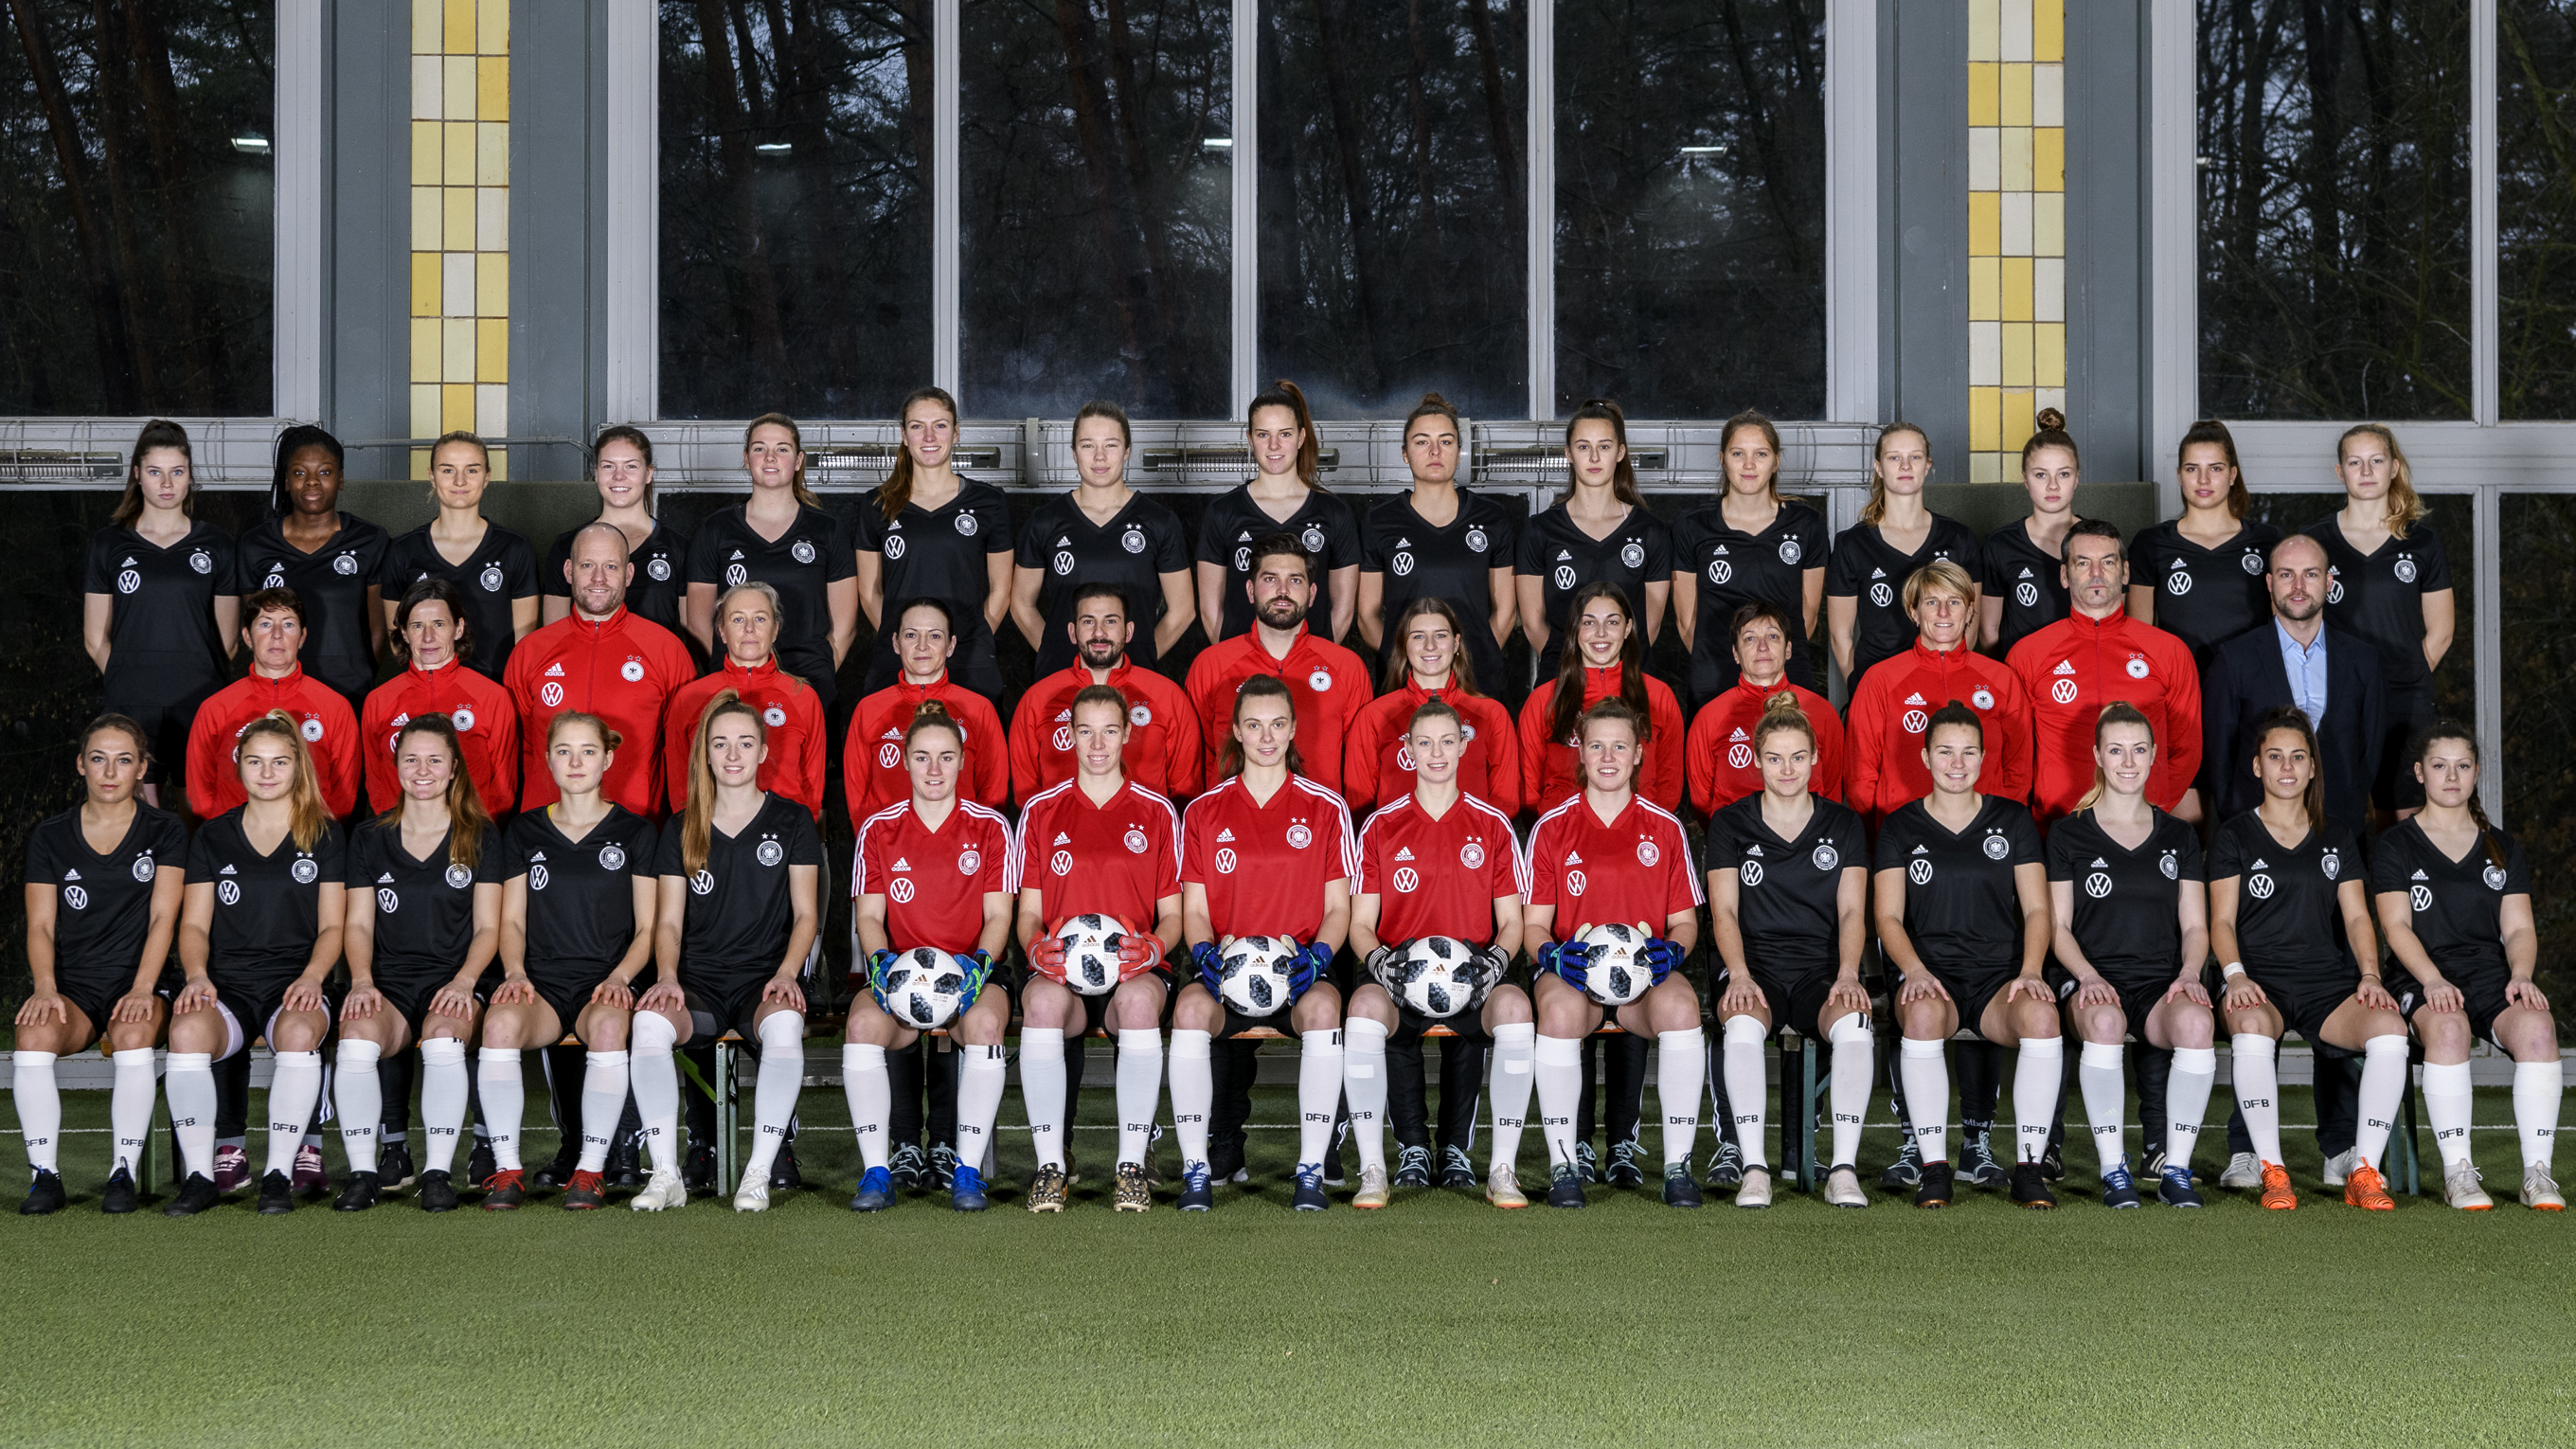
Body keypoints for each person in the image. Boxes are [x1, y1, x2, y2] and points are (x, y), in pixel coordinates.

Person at [2208, 707, 2408, 1211]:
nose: (2287, 767)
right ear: (2258, 766)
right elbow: (2221, 922)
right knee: (2251, 1024)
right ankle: (2272, 1169)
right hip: (2259, 980)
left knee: (2390, 1029)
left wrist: (2370, 975)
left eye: (2298, 757)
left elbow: (2360, 918)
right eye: (2275, 757)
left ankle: (2363, 1168)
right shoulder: (2234, 834)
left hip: (2328, 983)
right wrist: (2234, 977)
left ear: (2313, 767)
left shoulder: (2337, 835)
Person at [1170, 675, 1357, 1211]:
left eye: (1278, 724)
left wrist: (1318, 957)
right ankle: (1196, 1169)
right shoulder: (1204, 811)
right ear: (1236, 730)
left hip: (1296, 972)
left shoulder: (1327, 808)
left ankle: (1312, 1168)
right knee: (1186, 1011)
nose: (1266, 736)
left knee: (1325, 1011)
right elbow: (1197, 909)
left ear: (1294, 729)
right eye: (1254, 725)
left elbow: (1339, 907)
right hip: (1227, 973)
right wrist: (1204, 954)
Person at [635, 692, 825, 1212]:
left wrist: (788, 973)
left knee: (784, 1025)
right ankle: (665, 1175)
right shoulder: (681, 826)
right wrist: (668, 977)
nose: (733, 754)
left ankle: (758, 1172)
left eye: (745, 742)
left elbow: (806, 915)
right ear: (707, 755)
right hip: (698, 982)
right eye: (721, 744)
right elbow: (668, 919)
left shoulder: (792, 821)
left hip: (763, 981)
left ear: (764, 752)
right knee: (649, 1024)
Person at [1343, 698, 1536, 1208]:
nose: (1436, 752)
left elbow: (1513, 921)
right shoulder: (1381, 826)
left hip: (1471, 974)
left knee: (1514, 1009)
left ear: (1463, 747)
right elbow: (1361, 924)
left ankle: (1487, 1163)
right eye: (1423, 742)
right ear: (1406, 750)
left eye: (1447, 741)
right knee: (1364, 1011)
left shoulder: (1492, 825)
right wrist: (1382, 964)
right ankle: (1387, 1162)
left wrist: (1495, 961)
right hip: (1401, 972)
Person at [1874, 704, 2061, 1209]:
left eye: (1969, 752)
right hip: (1931, 975)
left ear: (1983, 756)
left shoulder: (2012, 819)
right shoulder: (1899, 827)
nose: (1957, 763)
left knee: (2043, 1018)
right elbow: (1887, 917)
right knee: (1924, 1013)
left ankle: (2028, 1167)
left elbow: (2039, 907)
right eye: (1945, 752)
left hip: (2000, 979)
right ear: (1925, 756)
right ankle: (1935, 1169)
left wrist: (2029, 970)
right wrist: (1913, 970)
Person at [1523, 700, 1705, 1209]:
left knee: (1684, 1008)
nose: (1608, 757)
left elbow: (1685, 922)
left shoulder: (1665, 828)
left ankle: (1677, 1166)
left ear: (1639, 753)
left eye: (1620, 745)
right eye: (1596, 745)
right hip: (1575, 978)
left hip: (1640, 983)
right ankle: (1565, 1166)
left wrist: (1674, 952)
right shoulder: (1552, 827)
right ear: (1579, 751)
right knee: (1557, 1011)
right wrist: (1553, 958)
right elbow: (1533, 925)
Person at [2371, 723, 2562, 1211]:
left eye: (2462, 766)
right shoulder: (2397, 845)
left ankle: (2537, 1174)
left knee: (2539, 1028)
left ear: (2476, 772)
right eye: (2439, 765)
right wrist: (2432, 980)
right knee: (2450, 1028)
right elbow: (2396, 927)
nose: (2451, 776)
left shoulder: (2502, 846)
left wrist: (2520, 974)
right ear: (2420, 773)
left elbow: (2519, 930)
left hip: (2489, 975)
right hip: (2420, 974)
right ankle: (2459, 1171)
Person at [163, 712, 346, 1216]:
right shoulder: (213, 837)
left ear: (298, 767)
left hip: (296, 982)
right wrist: (197, 976)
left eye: (280, 762)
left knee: (297, 1034)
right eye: (255, 762)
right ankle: (201, 1176)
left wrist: (312, 977)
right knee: (184, 1035)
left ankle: (277, 1176)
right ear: (238, 766)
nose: (267, 773)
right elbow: (195, 927)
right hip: (227, 986)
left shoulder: (325, 835)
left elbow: (334, 928)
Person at [1013, 685, 1184, 1212]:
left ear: (1128, 734)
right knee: (1039, 1004)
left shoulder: (1157, 812)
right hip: (1063, 973)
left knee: (1135, 1004)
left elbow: (1174, 915)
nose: (1097, 744)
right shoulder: (1042, 811)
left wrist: (1153, 948)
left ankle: (1131, 1164)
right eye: (1084, 731)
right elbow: (1027, 915)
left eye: (1110, 731)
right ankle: (1050, 1166)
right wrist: (1036, 949)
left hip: (1133, 969)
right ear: (1068, 734)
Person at [488, 711, 664, 1209]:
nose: (575, 761)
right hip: (540, 986)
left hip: (604, 982)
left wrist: (621, 977)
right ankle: (506, 1171)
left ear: (608, 758)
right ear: (547, 759)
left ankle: (589, 1171)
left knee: (608, 1029)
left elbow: (648, 928)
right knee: (499, 1024)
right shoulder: (523, 831)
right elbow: (512, 922)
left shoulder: (635, 832)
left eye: (588, 751)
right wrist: (516, 971)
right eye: (563, 751)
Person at [330, 715, 506, 1213]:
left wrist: (466, 980)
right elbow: (359, 926)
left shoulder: (480, 836)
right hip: (388, 982)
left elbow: (489, 928)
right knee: (358, 1037)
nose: (422, 770)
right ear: (396, 766)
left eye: (434, 760)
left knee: (445, 1036)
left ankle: (437, 1173)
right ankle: (365, 1172)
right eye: (411, 759)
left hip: (455, 977)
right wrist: (362, 981)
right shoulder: (368, 838)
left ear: (454, 769)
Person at [846, 703, 1017, 1212]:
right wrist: (881, 966)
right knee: (859, 1029)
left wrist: (976, 969)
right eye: (922, 758)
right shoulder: (878, 829)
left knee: (986, 1029)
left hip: (970, 974)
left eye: (946, 757)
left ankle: (966, 1169)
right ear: (903, 760)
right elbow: (871, 917)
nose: (935, 770)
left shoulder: (990, 828)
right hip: (900, 978)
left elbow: (999, 918)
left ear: (963, 761)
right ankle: (877, 1171)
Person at [2044, 704, 2215, 1209]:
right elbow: (2057, 927)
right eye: (2116, 750)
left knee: (2197, 1026)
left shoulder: (2179, 835)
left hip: (2160, 982)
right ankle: (2113, 1167)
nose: (2128, 761)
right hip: (2092, 978)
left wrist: (2189, 972)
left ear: (2154, 756)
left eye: (2139, 750)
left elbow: (2196, 925)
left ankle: (2175, 1169)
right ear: (2097, 755)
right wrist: (2087, 975)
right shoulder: (2068, 833)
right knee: (2104, 1024)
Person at [1706, 693, 1872, 1209]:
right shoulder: (1731, 824)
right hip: (1752, 969)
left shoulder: (1842, 825)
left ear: (1816, 758)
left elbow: (1851, 912)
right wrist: (1737, 975)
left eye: (1798, 757)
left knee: (1854, 1023)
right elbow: (1724, 913)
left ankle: (1842, 1169)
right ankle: (1754, 1168)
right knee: (1741, 1024)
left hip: (1819, 971)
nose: (1787, 769)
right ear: (1756, 761)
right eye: (1774, 758)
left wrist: (1848, 974)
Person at [14, 717, 186, 1214]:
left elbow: (163, 918)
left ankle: (122, 1174)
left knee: (132, 1034)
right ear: (80, 765)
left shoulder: (165, 830)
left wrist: (142, 988)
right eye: (98, 758)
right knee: (33, 1034)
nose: (110, 771)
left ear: (142, 769)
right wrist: (45, 988)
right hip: (75, 988)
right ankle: (44, 1175)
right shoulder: (50, 837)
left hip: (142, 982)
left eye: (124, 759)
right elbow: (41, 927)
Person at [2302, 424, 2456, 820]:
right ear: (2340, 471)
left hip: (2405, 701)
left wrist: (2402, 678)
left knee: (2402, 821)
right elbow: (2294, 622)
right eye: (2355, 462)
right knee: (2333, 818)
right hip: (2335, 699)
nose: (2366, 470)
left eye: (2376, 461)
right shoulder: (2315, 541)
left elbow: (2440, 632)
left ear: (2394, 467)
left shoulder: (2421, 541)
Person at [81, 420, 237, 808]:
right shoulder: (109, 543)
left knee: (196, 821)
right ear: (138, 475)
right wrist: (127, 683)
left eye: (177, 472)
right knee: (141, 824)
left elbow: (228, 640)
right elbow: (95, 638)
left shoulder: (217, 544)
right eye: (155, 472)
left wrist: (200, 687)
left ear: (189, 478)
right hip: (133, 706)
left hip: (198, 704)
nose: (166, 483)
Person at [2006, 520, 2203, 825]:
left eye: (2107, 562)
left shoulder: (2169, 652)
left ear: (2125, 573)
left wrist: (2154, 808)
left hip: (2144, 829)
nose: (2096, 573)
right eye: (2083, 562)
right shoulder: (2027, 655)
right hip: (2057, 827)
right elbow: (2013, 756)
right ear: (2064, 575)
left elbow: (2186, 749)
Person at [508, 522, 699, 816]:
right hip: (545, 829)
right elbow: (518, 751)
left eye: (611, 566)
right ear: (569, 571)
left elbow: (682, 753)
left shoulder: (667, 651)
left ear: (629, 574)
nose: (599, 578)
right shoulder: (530, 652)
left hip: (636, 828)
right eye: (588, 565)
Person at [2202, 534, 2386, 828]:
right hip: (2256, 830)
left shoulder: (2363, 660)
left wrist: (2350, 808)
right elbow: (2218, 754)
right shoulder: (2233, 659)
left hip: (2340, 828)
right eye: (2287, 574)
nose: (2298, 586)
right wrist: (2238, 820)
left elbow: (2371, 749)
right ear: (2269, 583)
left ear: (2328, 582)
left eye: (2310, 574)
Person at [683, 413, 860, 707]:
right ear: (746, 457)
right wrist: (724, 671)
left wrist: (819, 674)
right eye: (759, 448)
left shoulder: (827, 530)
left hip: (807, 685)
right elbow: (700, 623)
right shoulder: (716, 530)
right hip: (736, 687)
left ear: (799, 460)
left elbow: (845, 627)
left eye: (782, 449)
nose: (770, 457)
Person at [852, 387, 1014, 703]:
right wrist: (903, 644)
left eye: (940, 425)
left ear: (955, 434)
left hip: (969, 659)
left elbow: (1001, 590)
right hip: (899, 661)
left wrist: (969, 642)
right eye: (917, 426)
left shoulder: (988, 502)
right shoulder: (876, 504)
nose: (929, 436)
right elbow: (870, 592)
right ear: (903, 434)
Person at [1356, 393, 1519, 701]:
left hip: (1477, 684)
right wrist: (1408, 660)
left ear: (1459, 452)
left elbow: (1506, 611)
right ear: (1405, 453)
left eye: (1446, 441)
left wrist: (1471, 656)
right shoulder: (1380, 522)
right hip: (1404, 686)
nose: (1434, 451)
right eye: (1421, 442)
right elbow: (1367, 614)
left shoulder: (1491, 518)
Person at [1012, 401, 1193, 679]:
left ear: (1127, 451)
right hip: (1064, 679)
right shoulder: (1045, 521)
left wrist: (1141, 658)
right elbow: (1021, 604)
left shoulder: (1159, 522)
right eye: (1087, 445)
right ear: (1074, 453)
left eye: (1110, 445)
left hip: (1134, 679)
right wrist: (1057, 654)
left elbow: (1183, 610)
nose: (1099, 456)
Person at [1841, 561, 2029, 825]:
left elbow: (2019, 766)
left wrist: (2002, 821)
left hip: (1985, 828)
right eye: (1931, 602)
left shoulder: (2001, 679)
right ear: (1913, 612)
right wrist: (1881, 833)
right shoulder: (1880, 679)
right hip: (1903, 830)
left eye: (1954, 602)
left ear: (1969, 611)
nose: (1943, 612)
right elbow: (1860, 773)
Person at [1184, 534, 1370, 796]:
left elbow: (1361, 766)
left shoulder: (1347, 667)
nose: (1282, 591)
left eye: (1295, 580)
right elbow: (1195, 760)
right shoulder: (1211, 665)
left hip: (1319, 827)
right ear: (1250, 591)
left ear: (1312, 593)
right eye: (1270, 579)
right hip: (1231, 826)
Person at [1673, 409, 1828, 704]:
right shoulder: (1692, 526)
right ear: (1722, 459)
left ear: (1776, 461)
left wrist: (1768, 664)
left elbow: (1807, 614)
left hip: (1786, 674)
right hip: (1715, 676)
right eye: (1737, 454)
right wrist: (1730, 660)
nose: (1748, 464)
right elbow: (1686, 620)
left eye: (1760, 454)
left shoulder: (1808, 525)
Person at [234, 424, 388, 716]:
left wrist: (361, 679)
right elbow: (258, 630)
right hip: (279, 690)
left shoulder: (370, 540)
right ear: (287, 481)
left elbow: (378, 628)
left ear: (341, 479)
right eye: (300, 473)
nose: (312, 482)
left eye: (325, 472)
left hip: (349, 690)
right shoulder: (255, 545)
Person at [1516, 400, 1672, 679]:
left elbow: (1650, 624)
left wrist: (1609, 672)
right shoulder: (1540, 530)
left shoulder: (1651, 532)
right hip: (1563, 681)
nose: (1595, 458)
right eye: (1584, 447)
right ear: (1569, 454)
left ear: (1620, 452)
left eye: (1604, 446)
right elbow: (1533, 623)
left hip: (1628, 682)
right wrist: (1572, 670)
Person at [1198, 379, 1360, 644]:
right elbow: (1210, 611)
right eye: (1263, 434)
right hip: (1243, 671)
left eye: (1284, 434)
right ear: (1250, 439)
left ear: (1301, 437)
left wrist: (1310, 660)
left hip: (1309, 669)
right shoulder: (1223, 512)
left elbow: (1342, 613)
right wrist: (1240, 661)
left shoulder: (1334, 513)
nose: (1274, 446)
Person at [1010, 582, 1203, 803]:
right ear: (1072, 632)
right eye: (1088, 621)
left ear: (1128, 631)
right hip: (1062, 835)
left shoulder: (1167, 696)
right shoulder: (1037, 700)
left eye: (1110, 621)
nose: (1099, 632)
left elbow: (1185, 790)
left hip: (1142, 834)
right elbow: (1027, 795)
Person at [1825, 421, 1979, 687]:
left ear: (1927, 466)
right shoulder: (1852, 543)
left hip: (1942, 682)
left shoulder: (1959, 538)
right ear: (1879, 468)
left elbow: (1971, 622)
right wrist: (1861, 686)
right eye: (1894, 457)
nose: (1905, 466)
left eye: (1915, 457)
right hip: (1880, 684)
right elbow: (1841, 636)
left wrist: (1951, 675)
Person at [186, 587, 361, 821]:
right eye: (265, 624)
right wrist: (222, 831)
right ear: (247, 637)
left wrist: (322, 835)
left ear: (302, 637)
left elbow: (345, 792)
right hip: (234, 838)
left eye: (288, 624)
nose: (277, 634)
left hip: (310, 838)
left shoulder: (334, 706)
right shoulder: (216, 708)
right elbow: (200, 789)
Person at [378, 431, 540, 682]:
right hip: (429, 694)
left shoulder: (514, 548)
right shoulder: (403, 550)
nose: (460, 481)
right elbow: (398, 639)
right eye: (448, 470)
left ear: (487, 477)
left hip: (495, 692)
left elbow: (525, 642)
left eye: (472, 470)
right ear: (432, 476)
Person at [1342, 597, 1521, 818]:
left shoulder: (1491, 715)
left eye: (1440, 635)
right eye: (1418, 636)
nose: (1430, 646)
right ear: (1404, 645)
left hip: (1471, 849)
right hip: (1397, 849)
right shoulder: (1374, 717)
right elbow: (1358, 804)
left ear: (1456, 643)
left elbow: (1507, 802)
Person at [662, 582, 827, 820]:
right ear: (721, 631)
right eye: (738, 620)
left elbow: (813, 784)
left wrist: (801, 836)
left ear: (775, 629)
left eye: (760, 619)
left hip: (784, 831)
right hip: (712, 832)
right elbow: (679, 782)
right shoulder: (690, 698)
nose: (749, 629)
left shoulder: (802, 697)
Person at [1517, 582, 1685, 814]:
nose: (1601, 632)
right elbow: (1528, 787)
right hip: (1563, 837)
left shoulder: (1658, 696)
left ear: (1627, 629)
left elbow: (1670, 785)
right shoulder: (1544, 699)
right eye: (1589, 622)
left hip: (1639, 836)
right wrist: (1550, 833)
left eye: (1612, 622)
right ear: (1575, 629)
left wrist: (1650, 829)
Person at [2126, 420, 2281, 666]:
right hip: (2181, 688)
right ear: (2179, 475)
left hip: (2250, 686)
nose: (2203, 480)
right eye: (2192, 469)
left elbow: (2283, 634)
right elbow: (2139, 640)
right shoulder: (2151, 544)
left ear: (2232, 475)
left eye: (2216, 468)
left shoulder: (2269, 541)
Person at [361, 578, 521, 814]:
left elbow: (503, 787)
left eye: (438, 624)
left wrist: (480, 833)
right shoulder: (378, 701)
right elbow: (376, 784)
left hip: (471, 836)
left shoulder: (492, 697)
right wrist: (393, 832)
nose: (428, 638)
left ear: (458, 628)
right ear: (404, 633)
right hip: (401, 837)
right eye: (417, 626)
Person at [848, 596, 1010, 825]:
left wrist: (976, 846)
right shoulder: (869, 710)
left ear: (951, 645)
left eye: (935, 635)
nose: (922, 645)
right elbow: (857, 798)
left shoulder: (979, 709)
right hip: (889, 852)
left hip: (962, 852)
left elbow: (993, 792)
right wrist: (874, 848)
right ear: (895, 643)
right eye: (911, 635)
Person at [1686, 601, 1845, 816]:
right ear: (1735, 653)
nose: (1762, 647)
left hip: (1806, 839)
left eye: (1772, 636)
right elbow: (1701, 800)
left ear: (1788, 649)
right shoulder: (1710, 717)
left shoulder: (1821, 711)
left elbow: (1833, 790)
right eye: (1750, 638)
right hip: (1736, 842)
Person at [541, 425, 692, 649]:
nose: (618, 476)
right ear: (596, 473)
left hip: (656, 677)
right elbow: (554, 638)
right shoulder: (567, 546)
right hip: (585, 677)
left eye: (630, 466)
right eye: (608, 466)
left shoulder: (678, 548)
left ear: (648, 473)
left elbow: (692, 634)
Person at [1978, 410, 2083, 653]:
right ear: (2025, 479)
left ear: (2077, 478)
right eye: (2040, 475)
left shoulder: (2100, 540)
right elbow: (1989, 632)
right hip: (2022, 679)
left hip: (2084, 678)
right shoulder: (2000, 545)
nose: (2053, 485)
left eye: (2064, 474)